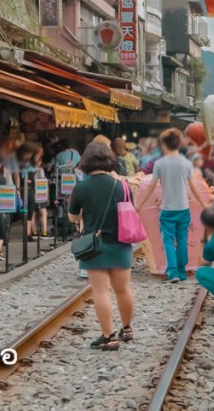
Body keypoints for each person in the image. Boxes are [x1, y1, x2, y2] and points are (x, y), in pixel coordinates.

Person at [68, 143, 135, 351]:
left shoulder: (81, 187)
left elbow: (72, 217)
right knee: (123, 290)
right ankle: (127, 329)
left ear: (86, 161)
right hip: (121, 243)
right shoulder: (122, 186)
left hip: (94, 246)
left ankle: (109, 337)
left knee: (101, 292)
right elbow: (130, 209)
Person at [136, 129, 209, 283]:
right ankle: (182, 272)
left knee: (168, 240)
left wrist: (139, 205)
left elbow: (151, 186)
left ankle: (173, 272)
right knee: (182, 239)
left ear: (164, 144)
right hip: (183, 208)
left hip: (167, 209)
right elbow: (194, 186)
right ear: (179, 144)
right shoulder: (186, 163)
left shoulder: (160, 164)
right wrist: (204, 204)